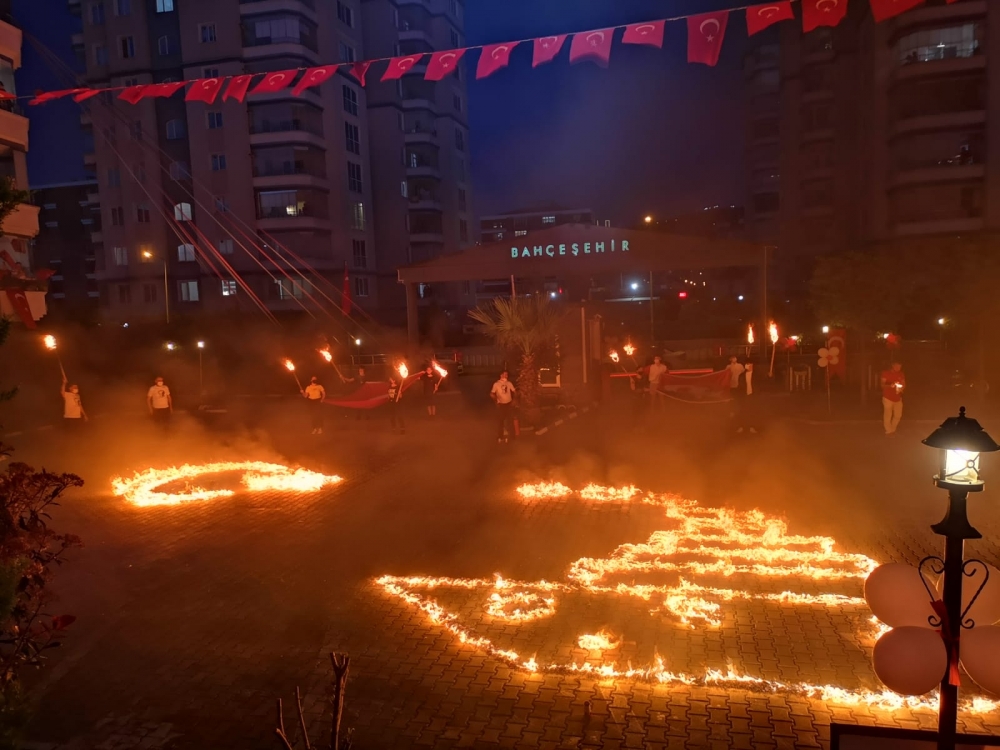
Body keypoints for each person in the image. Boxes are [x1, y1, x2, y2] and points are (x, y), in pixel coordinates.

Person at [880, 361, 906, 437]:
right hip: (887, 397)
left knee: (898, 415)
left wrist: (901, 388)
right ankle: (888, 431)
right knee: (888, 414)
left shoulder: (901, 374)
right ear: (893, 366)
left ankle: (893, 429)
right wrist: (890, 385)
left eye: (900, 366)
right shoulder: (886, 373)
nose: (899, 368)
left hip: (898, 398)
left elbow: (904, 383)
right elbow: (882, 385)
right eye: (897, 366)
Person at [490, 370, 516, 444]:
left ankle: (512, 436)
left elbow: (514, 392)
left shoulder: (509, 383)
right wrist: (496, 401)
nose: (506, 376)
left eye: (507, 375)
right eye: (505, 375)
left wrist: (514, 399)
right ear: (501, 375)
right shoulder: (496, 384)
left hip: (509, 404)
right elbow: (492, 394)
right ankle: (500, 436)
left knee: (510, 420)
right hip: (501, 405)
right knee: (501, 421)